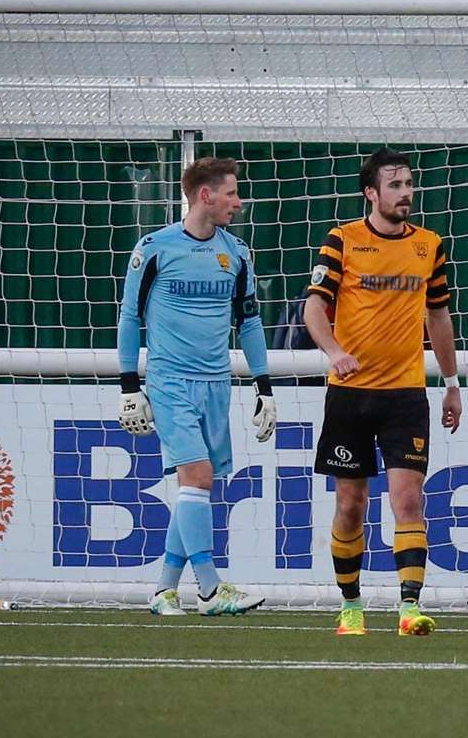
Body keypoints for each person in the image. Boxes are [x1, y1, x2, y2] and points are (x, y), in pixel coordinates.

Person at [303, 147, 462, 637]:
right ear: (371, 192)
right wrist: (334, 352)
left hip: (405, 395)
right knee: (351, 505)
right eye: (395, 186)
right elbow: (313, 309)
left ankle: (409, 608)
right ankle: (350, 608)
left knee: (408, 501)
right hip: (350, 395)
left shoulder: (429, 245)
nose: (406, 193)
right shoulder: (342, 240)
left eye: (409, 184)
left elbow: (438, 316)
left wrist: (452, 384)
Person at [117, 156, 276, 617]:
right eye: (231, 193)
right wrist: (130, 385)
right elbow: (129, 317)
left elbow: (249, 321)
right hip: (169, 382)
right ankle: (210, 588)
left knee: (197, 486)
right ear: (205, 195)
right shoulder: (155, 248)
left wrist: (264, 387)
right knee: (199, 478)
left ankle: (164, 589)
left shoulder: (237, 253)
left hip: (216, 383)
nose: (239, 202)